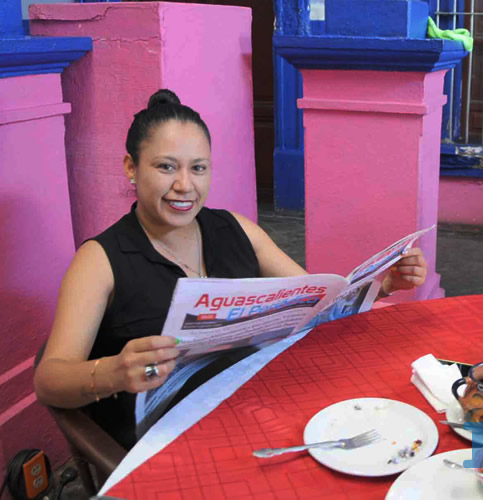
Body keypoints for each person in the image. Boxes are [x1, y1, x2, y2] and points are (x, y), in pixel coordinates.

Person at [33, 90, 428, 449]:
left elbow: (317, 305)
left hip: (254, 409)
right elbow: (50, 379)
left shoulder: (236, 230)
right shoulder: (100, 259)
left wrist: (383, 284)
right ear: (131, 168)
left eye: (199, 168)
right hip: (168, 438)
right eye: (166, 167)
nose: (184, 185)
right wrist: (115, 374)